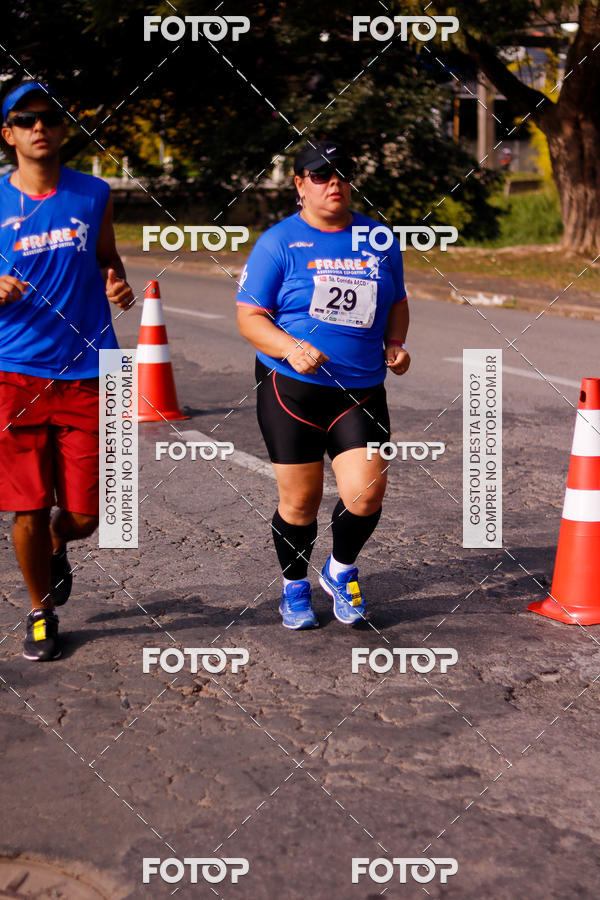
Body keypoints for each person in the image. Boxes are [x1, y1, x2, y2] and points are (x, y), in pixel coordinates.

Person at [237, 140, 410, 630]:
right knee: (300, 502)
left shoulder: (378, 238)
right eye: (320, 174)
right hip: (292, 388)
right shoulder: (279, 242)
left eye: (342, 174)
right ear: (299, 184)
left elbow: (397, 301)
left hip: (361, 389)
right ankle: (294, 587)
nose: (334, 182)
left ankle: (340, 570)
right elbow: (250, 317)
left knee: (366, 495)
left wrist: (395, 343)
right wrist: (289, 346)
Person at [0, 80, 134, 660]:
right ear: (8, 134)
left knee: (89, 512)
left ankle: (59, 540)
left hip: (89, 370)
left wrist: (116, 283)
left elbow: (106, 258)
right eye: (25, 119)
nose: (39, 127)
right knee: (27, 504)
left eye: (50, 118)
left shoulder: (93, 192)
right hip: (14, 372)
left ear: (62, 129)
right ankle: (41, 611)